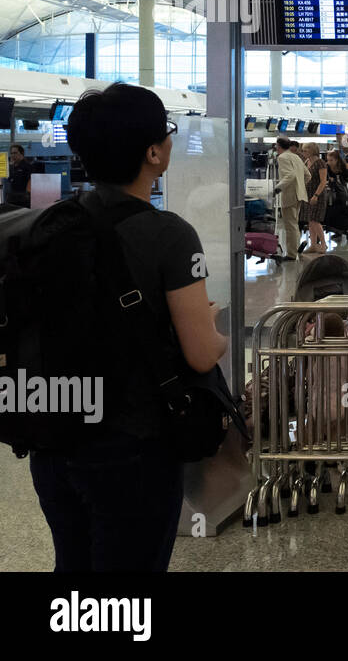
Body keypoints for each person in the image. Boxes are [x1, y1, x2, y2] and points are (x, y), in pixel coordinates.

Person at [36, 83, 228, 571]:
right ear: (152, 153)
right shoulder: (169, 235)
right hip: (132, 446)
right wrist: (212, 322)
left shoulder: (53, 224)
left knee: (73, 570)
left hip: (54, 438)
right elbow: (202, 354)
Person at [274, 137, 308, 261]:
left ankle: (291, 254)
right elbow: (307, 175)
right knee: (294, 223)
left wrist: (278, 188)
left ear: (279, 146)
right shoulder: (296, 157)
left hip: (289, 195)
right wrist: (300, 186)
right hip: (299, 195)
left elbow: (290, 175)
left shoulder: (282, 157)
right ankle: (295, 250)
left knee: (290, 225)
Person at [301, 142, 330, 254]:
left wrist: (316, 195)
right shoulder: (306, 162)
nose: (303, 153)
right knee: (310, 220)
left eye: (305, 150)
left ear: (312, 151)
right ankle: (313, 244)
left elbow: (323, 181)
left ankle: (323, 244)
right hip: (307, 194)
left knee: (315, 220)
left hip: (318, 195)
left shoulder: (320, 163)